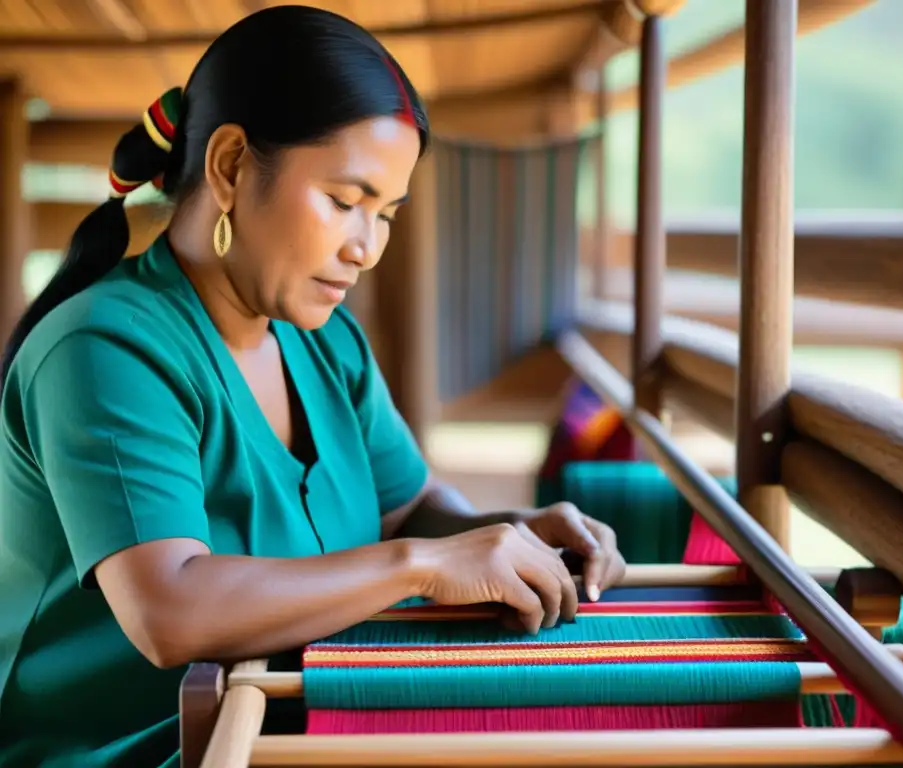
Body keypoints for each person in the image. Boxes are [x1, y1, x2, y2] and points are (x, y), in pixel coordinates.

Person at [0, 7, 627, 767]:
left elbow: (412, 511)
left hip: (296, 722)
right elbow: (170, 612)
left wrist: (513, 534)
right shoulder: (103, 347)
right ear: (230, 167)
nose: (365, 247)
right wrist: (425, 567)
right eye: (343, 200)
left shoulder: (325, 342)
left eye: (385, 213)